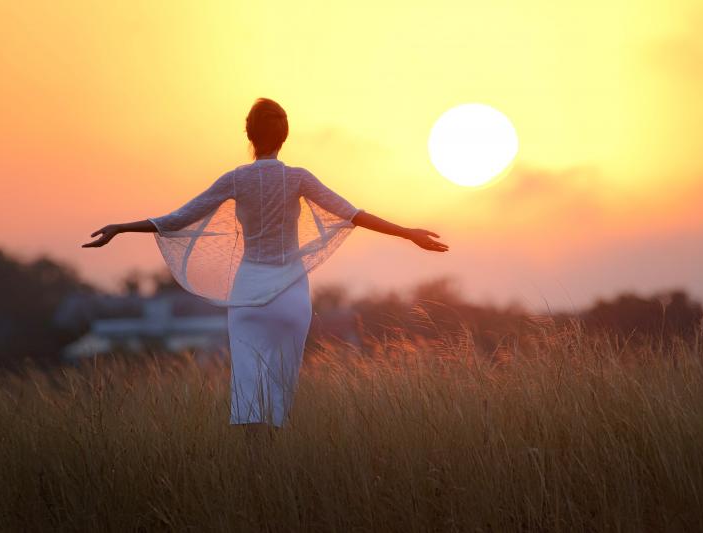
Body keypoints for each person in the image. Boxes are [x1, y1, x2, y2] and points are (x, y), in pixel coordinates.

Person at [83, 97, 448, 437]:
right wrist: (407, 233)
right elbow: (353, 215)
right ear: (284, 135)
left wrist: (121, 227)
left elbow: (178, 219)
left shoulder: (236, 179)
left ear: (248, 134)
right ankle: (271, 464)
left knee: (248, 392)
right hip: (290, 298)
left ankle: (253, 469)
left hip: (247, 298)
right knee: (279, 390)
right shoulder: (298, 177)